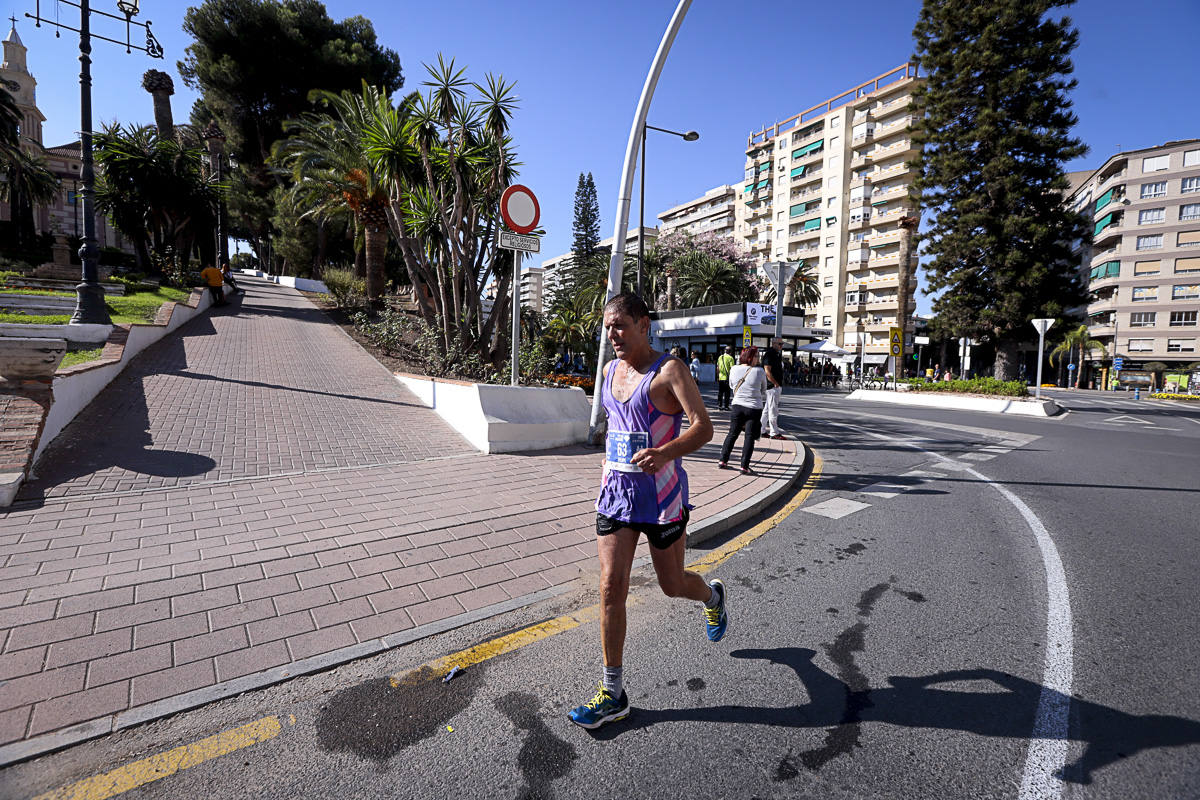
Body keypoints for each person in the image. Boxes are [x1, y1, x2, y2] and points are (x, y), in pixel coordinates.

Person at [569, 292, 725, 730]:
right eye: (607, 326)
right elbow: (617, 427)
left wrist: (665, 452)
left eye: (619, 325)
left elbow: (704, 428)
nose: (611, 334)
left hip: (661, 498)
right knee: (609, 586)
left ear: (643, 323)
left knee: (672, 585)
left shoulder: (669, 370)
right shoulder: (607, 370)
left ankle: (712, 597)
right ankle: (612, 692)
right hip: (616, 494)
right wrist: (609, 459)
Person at [718, 346, 768, 474]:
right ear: (751, 357)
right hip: (754, 408)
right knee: (749, 437)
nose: (758, 358)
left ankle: (723, 460)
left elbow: (731, 385)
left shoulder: (734, 369)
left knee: (732, 433)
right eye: (757, 356)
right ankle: (744, 466)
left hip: (737, 406)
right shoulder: (760, 371)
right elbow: (763, 390)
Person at [759, 337, 786, 440]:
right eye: (780, 344)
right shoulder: (769, 354)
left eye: (782, 344)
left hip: (774, 385)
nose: (781, 346)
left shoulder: (776, 354)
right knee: (773, 409)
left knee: (767, 409)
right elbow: (767, 370)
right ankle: (774, 432)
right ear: (774, 344)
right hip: (772, 386)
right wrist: (775, 383)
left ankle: (761, 430)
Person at [715, 345, 735, 410]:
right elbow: (732, 369)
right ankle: (726, 406)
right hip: (727, 378)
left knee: (720, 392)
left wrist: (717, 377)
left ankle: (719, 406)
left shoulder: (720, 357)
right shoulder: (730, 358)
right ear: (730, 352)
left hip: (721, 378)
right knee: (727, 393)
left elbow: (717, 368)